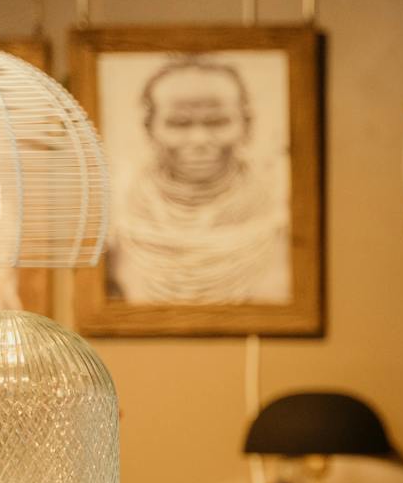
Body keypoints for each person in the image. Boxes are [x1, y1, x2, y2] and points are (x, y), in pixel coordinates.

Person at [107, 57, 291, 305]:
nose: (199, 139)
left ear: (246, 124)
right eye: (179, 123)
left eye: (217, 121)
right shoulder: (118, 211)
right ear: (149, 128)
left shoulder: (279, 208)